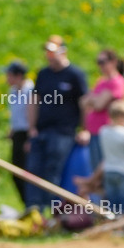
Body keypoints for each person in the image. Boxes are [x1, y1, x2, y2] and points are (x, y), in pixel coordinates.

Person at [26, 35, 88, 213]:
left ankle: (50, 211)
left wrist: (84, 129)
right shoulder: (43, 74)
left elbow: (84, 103)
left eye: (53, 52)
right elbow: (34, 100)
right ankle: (33, 209)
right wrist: (32, 127)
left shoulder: (75, 74)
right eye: (47, 52)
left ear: (63, 52)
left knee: (53, 171)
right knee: (33, 170)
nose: (49, 56)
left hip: (63, 131)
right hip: (41, 130)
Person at [80, 49, 124, 172]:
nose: (100, 65)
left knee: (102, 169)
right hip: (94, 131)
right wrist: (97, 98)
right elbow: (83, 102)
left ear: (113, 62)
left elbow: (98, 105)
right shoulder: (101, 81)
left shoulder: (117, 81)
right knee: (95, 167)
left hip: (107, 131)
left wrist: (93, 99)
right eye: (98, 62)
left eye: (103, 61)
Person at [97, 100, 124, 217]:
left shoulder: (103, 131)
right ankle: (123, 226)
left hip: (108, 171)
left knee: (112, 202)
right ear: (121, 117)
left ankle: (112, 224)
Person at [4, 60, 33, 205]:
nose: (6, 78)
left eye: (9, 75)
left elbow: (33, 114)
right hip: (17, 133)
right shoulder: (12, 91)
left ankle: (32, 203)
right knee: (16, 171)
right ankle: (25, 203)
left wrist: (31, 138)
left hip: (29, 133)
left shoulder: (31, 90)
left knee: (28, 171)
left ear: (19, 75)